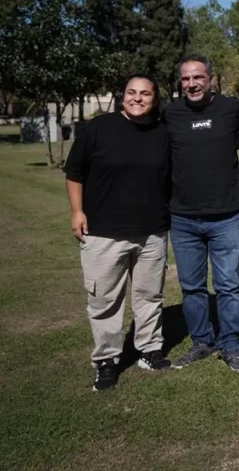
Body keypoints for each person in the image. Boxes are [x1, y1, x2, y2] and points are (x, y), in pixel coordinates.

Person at [65, 74, 173, 391]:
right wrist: (77, 211)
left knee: (149, 296)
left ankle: (149, 350)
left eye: (145, 94)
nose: (137, 98)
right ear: (122, 96)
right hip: (102, 232)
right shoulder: (97, 129)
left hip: (152, 232)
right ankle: (107, 361)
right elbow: (74, 173)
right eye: (131, 92)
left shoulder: (162, 133)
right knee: (104, 301)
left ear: (155, 99)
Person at [164, 55, 239, 373]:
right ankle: (202, 341)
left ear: (211, 79)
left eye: (198, 77)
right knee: (192, 286)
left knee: (228, 284)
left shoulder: (233, 109)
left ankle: (230, 344)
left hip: (225, 215)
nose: (191, 84)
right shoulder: (170, 113)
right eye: (186, 79)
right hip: (183, 218)